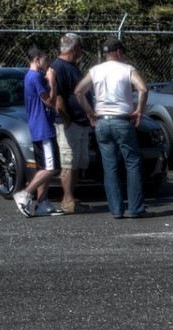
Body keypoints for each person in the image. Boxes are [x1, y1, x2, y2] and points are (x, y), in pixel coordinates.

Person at [77, 37, 150, 219]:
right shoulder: (127, 69)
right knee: (132, 163)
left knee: (110, 167)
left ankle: (116, 210)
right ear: (118, 52)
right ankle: (135, 208)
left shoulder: (95, 71)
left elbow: (78, 91)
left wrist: (90, 112)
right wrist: (139, 110)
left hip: (102, 121)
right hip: (122, 121)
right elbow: (143, 89)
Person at [17, 45, 63, 217]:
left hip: (41, 126)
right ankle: (25, 194)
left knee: (44, 168)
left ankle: (42, 202)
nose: (48, 63)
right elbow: (49, 101)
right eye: (45, 59)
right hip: (42, 128)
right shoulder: (35, 77)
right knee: (51, 168)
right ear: (37, 60)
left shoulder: (33, 76)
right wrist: (52, 80)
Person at [46, 32, 89, 214]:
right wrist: (67, 121)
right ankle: (67, 200)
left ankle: (70, 198)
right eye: (80, 47)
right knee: (68, 161)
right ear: (74, 48)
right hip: (69, 124)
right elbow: (59, 97)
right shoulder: (59, 67)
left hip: (80, 123)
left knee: (77, 161)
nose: (81, 51)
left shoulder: (72, 67)